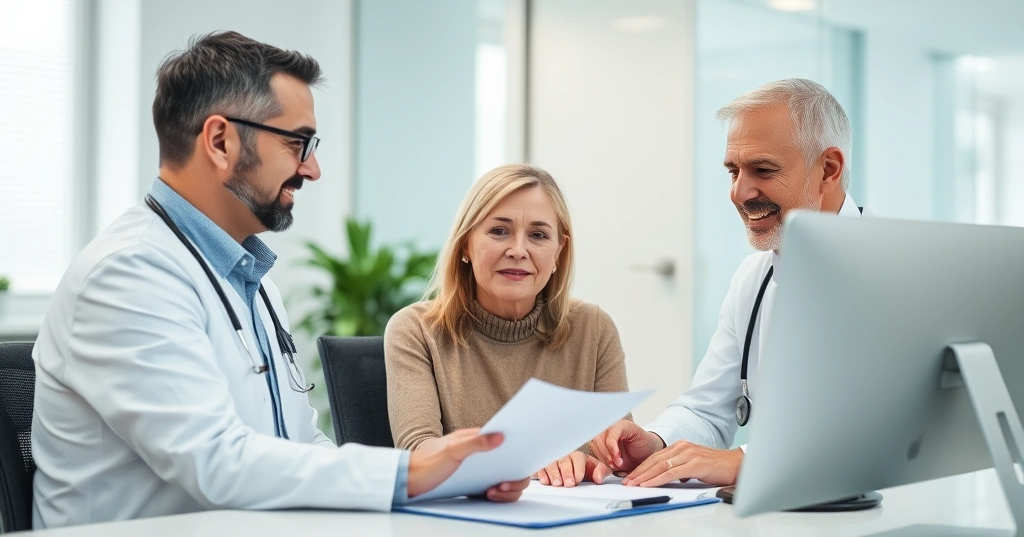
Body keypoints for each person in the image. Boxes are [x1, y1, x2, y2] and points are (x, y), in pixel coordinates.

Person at [31, 32, 527, 529]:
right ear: (221, 141)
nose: (312, 169)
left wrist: (446, 482)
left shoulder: (250, 278)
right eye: (298, 143)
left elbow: (300, 444)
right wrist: (412, 472)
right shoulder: (129, 274)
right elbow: (216, 464)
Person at [591, 78, 862, 488]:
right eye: (733, 171)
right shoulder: (754, 278)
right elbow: (707, 411)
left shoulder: (895, 274)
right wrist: (655, 442)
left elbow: (877, 427)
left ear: (829, 169)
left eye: (763, 170)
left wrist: (744, 462)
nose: (739, 192)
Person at [384, 164, 629, 489]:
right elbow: (418, 454)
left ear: (559, 252)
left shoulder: (594, 329)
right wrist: (523, 459)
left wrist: (590, 463)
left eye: (538, 235)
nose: (518, 250)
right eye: (499, 231)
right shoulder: (416, 330)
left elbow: (619, 456)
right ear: (466, 244)